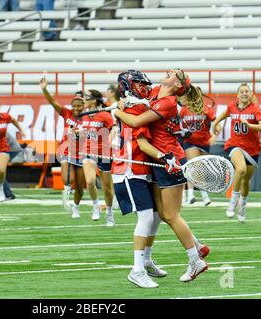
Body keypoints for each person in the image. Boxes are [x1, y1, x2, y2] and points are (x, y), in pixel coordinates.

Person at [114, 69, 210, 283]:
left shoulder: (167, 101)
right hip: (158, 162)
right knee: (162, 214)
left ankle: (196, 260)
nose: (169, 72)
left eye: (174, 73)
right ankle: (197, 247)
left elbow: (137, 122)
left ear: (178, 85)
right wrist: (124, 102)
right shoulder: (156, 91)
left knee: (171, 215)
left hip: (170, 159)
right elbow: (138, 99)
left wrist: (118, 113)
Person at [112, 70, 167, 288]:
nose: (144, 87)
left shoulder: (135, 106)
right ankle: (137, 270)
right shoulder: (134, 108)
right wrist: (165, 157)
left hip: (140, 167)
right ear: (127, 85)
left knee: (155, 217)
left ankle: (146, 260)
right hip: (129, 168)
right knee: (145, 217)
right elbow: (142, 144)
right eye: (139, 84)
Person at [212, 83, 261, 223]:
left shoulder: (255, 109)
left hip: (252, 148)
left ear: (250, 94)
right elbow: (225, 113)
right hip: (234, 144)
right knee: (241, 169)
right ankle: (233, 201)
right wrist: (215, 124)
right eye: (241, 91)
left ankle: (242, 205)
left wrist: (250, 125)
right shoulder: (232, 105)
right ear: (237, 94)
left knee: (246, 180)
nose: (244, 93)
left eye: (246, 91)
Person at [40, 76, 86, 218]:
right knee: (69, 179)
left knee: (79, 184)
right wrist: (44, 89)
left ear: (84, 105)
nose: (77, 108)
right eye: (75, 105)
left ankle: (76, 207)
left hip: (82, 152)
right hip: (66, 150)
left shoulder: (90, 117)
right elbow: (52, 102)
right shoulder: (67, 113)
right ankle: (66, 191)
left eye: (80, 105)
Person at [80, 89, 117, 226]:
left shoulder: (104, 115)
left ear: (94, 100)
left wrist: (110, 139)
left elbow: (114, 128)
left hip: (104, 153)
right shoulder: (84, 116)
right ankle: (95, 205)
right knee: (90, 182)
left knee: (107, 188)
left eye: (86, 98)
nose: (83, 100)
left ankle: (109, 212)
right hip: (88, 152)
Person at [179, 88, 220, 206]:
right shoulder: (184, 110)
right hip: (189, 141)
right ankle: (193, 195)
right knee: (193, 165)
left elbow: (217, 124)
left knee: (202, 169)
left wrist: (215, 136)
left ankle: (201, 195)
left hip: (204, 141)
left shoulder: (206, 109)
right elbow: (176, 124)